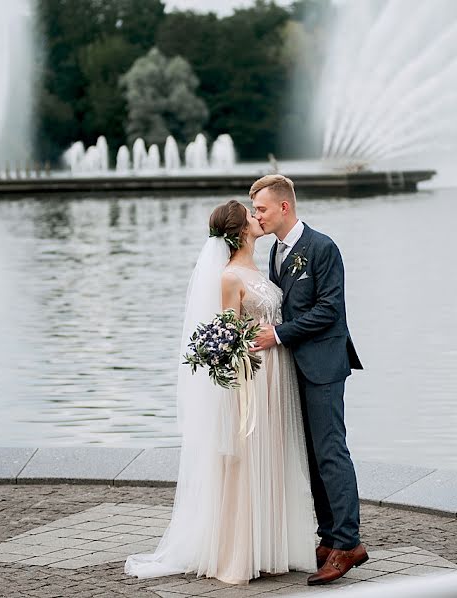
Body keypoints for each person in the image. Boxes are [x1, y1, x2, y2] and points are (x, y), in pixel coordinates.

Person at [124, 199, 315, 585]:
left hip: (278, 373)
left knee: (274, 454)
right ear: (241, 230)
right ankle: (240, 552)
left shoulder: (259, 266)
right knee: (249, 459)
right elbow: (228, 336)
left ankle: (272, 545)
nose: (257, 217)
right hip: (254, 377)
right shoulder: (230, 277)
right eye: (251, 215)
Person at [249, 174, 368, 586]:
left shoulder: (322, 247)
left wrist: (277, 335)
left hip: (324, 366)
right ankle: (328, 537)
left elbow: (330, 311)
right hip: (293, 368)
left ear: (284, 206)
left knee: (331, 452)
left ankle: (349, 543)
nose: (256, 216)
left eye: (261, 209)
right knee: (312, 456)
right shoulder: (277, 253)